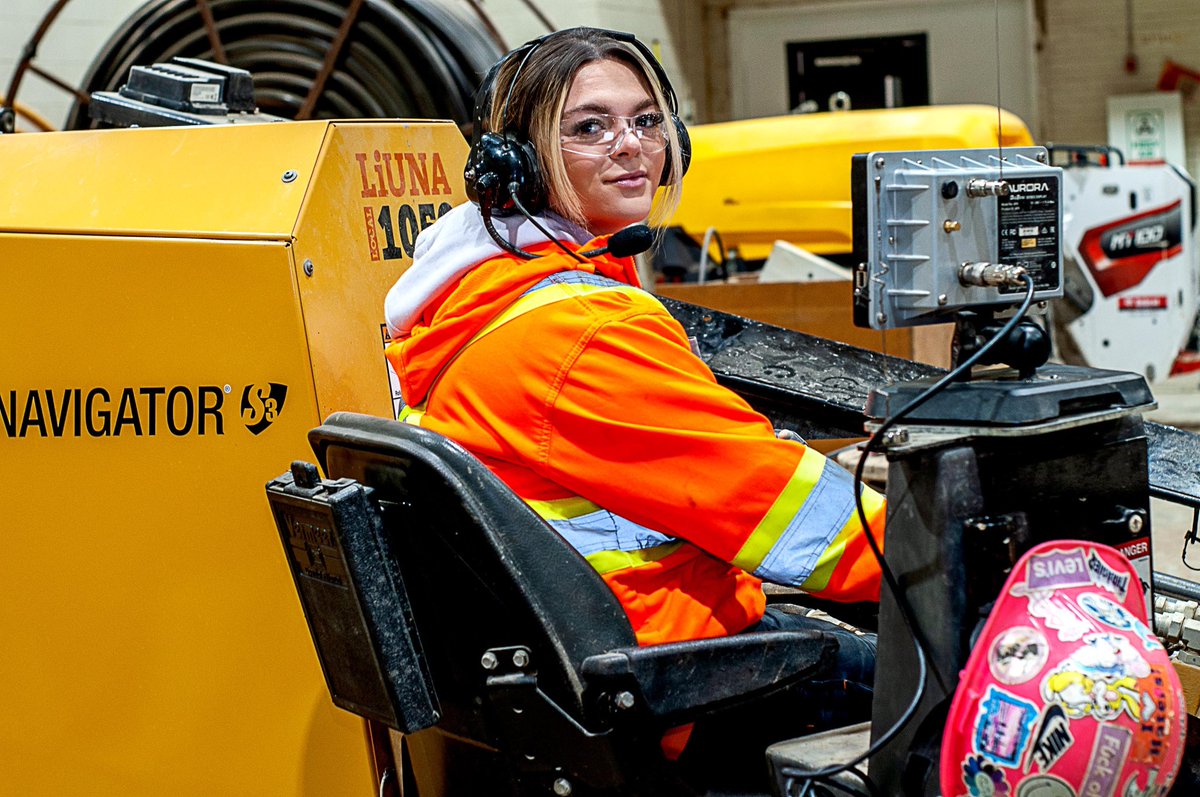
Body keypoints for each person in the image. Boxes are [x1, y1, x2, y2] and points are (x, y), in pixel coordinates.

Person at [382, 26, 886, 781]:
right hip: (676, 681)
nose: (631, 145)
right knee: (958, 679)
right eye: (590, 127)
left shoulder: (468, 295)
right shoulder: (582, 330)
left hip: (593, 672)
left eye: (647, 120)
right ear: (515, 161)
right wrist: (952, 553)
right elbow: (801, 522)